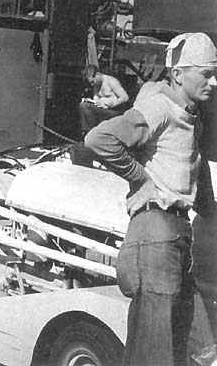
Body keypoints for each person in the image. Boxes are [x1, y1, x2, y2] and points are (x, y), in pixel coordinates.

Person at [85, 32, 217, 366]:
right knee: (152, 355)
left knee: (202, 349)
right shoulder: (159, 107)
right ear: (177, 74)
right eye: (206, 73)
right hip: (155, 232)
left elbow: (194, 174)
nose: (214, 82)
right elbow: (100, 139)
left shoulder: (191, 116)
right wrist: (141, 179)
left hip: (176, 236)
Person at [79, 64, 129, 137]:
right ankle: (87, 132)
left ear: (97, 74)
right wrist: (89, 101)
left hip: (114, 111)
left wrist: (110, 104)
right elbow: (96, 99)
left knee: (85, 106)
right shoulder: (96, 84)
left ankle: (93, 133)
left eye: (93, 81)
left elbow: (125, 97)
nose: (92, 84)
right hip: (103, 110)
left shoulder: (111, 81)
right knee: (83, 105)